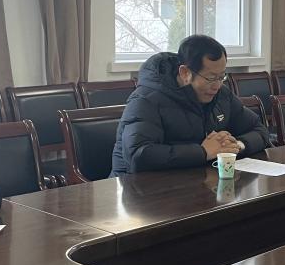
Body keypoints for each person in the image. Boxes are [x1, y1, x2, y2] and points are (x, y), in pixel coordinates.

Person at [111, 34, 270, 174]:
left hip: (196, 182)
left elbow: (259, 130)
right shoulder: (146, 100)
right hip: (137, 190)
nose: (217, 85)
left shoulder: (222, 95)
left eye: (221, 77)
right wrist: (203, 152)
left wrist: (235, 146)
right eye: (211, 78)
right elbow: (139, 155)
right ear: (185, 73)